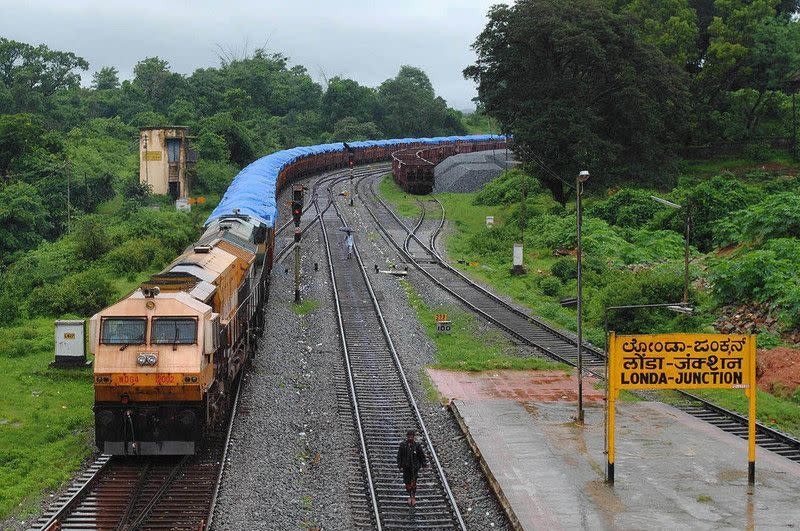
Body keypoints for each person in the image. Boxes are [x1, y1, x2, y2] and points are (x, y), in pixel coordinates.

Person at [396, 429, 426, 506]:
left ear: (413, 437)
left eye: (411, 437)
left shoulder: (417, 445)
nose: (410, 438)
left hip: (414, 467)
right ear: (407, 437)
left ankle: (413, 496)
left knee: (414, 482)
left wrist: (423, 464)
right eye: (409, 437)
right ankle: (410, 495)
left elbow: (421, 455)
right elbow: (399, 456)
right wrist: (399, 464)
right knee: (407, 482)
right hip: (406, 467)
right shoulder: (403, 445)